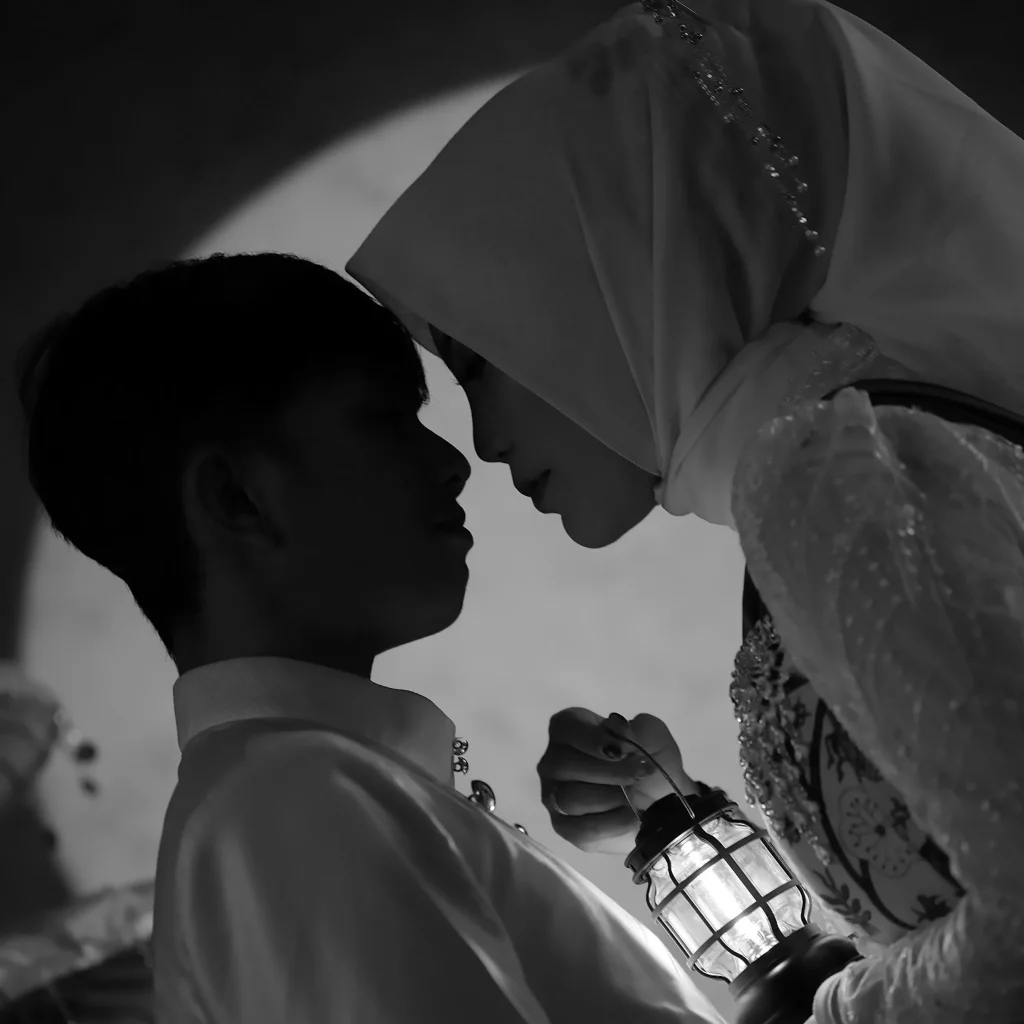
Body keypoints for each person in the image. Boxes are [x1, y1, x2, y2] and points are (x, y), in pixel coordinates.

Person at [345, 0, 1024, 1020]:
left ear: (607, 292)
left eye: (481, 366)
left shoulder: (822, 473)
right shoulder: (877, 443)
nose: (480, 443)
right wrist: (676, 823)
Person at [14, 252, 724, 1024]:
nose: (454, 462)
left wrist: (674, 822)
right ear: (235, 497)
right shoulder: (292, 803)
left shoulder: (303, 792)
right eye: (386, 421)